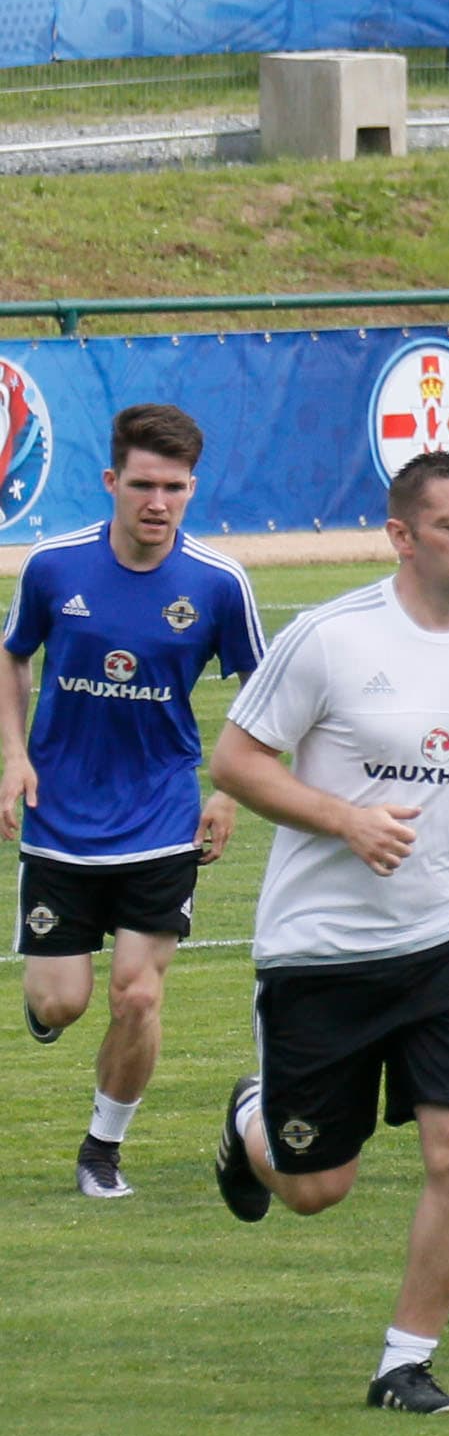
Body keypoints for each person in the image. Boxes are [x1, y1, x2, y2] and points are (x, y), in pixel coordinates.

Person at [207, 452, 449, 1413]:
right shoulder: (330, 638)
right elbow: (237, 761)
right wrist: (344, 818)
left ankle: (402, 1364)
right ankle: (251, 1119)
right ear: (401, 535)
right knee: (312, 1186)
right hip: (320, 953)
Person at [6, 404, 261, 1198]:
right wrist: (12, 755)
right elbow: (13, 658)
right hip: (60, 817)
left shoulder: (218, 583)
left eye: (175, 488)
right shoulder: (54, 567)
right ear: (113, 482)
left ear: (191, 489)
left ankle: (101, 1149)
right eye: (143, 485)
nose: (158, 502)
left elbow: (270, 689)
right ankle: (48, 1012)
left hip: (160, 816)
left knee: (138, 993)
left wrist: (227, 792)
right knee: (64, 999)